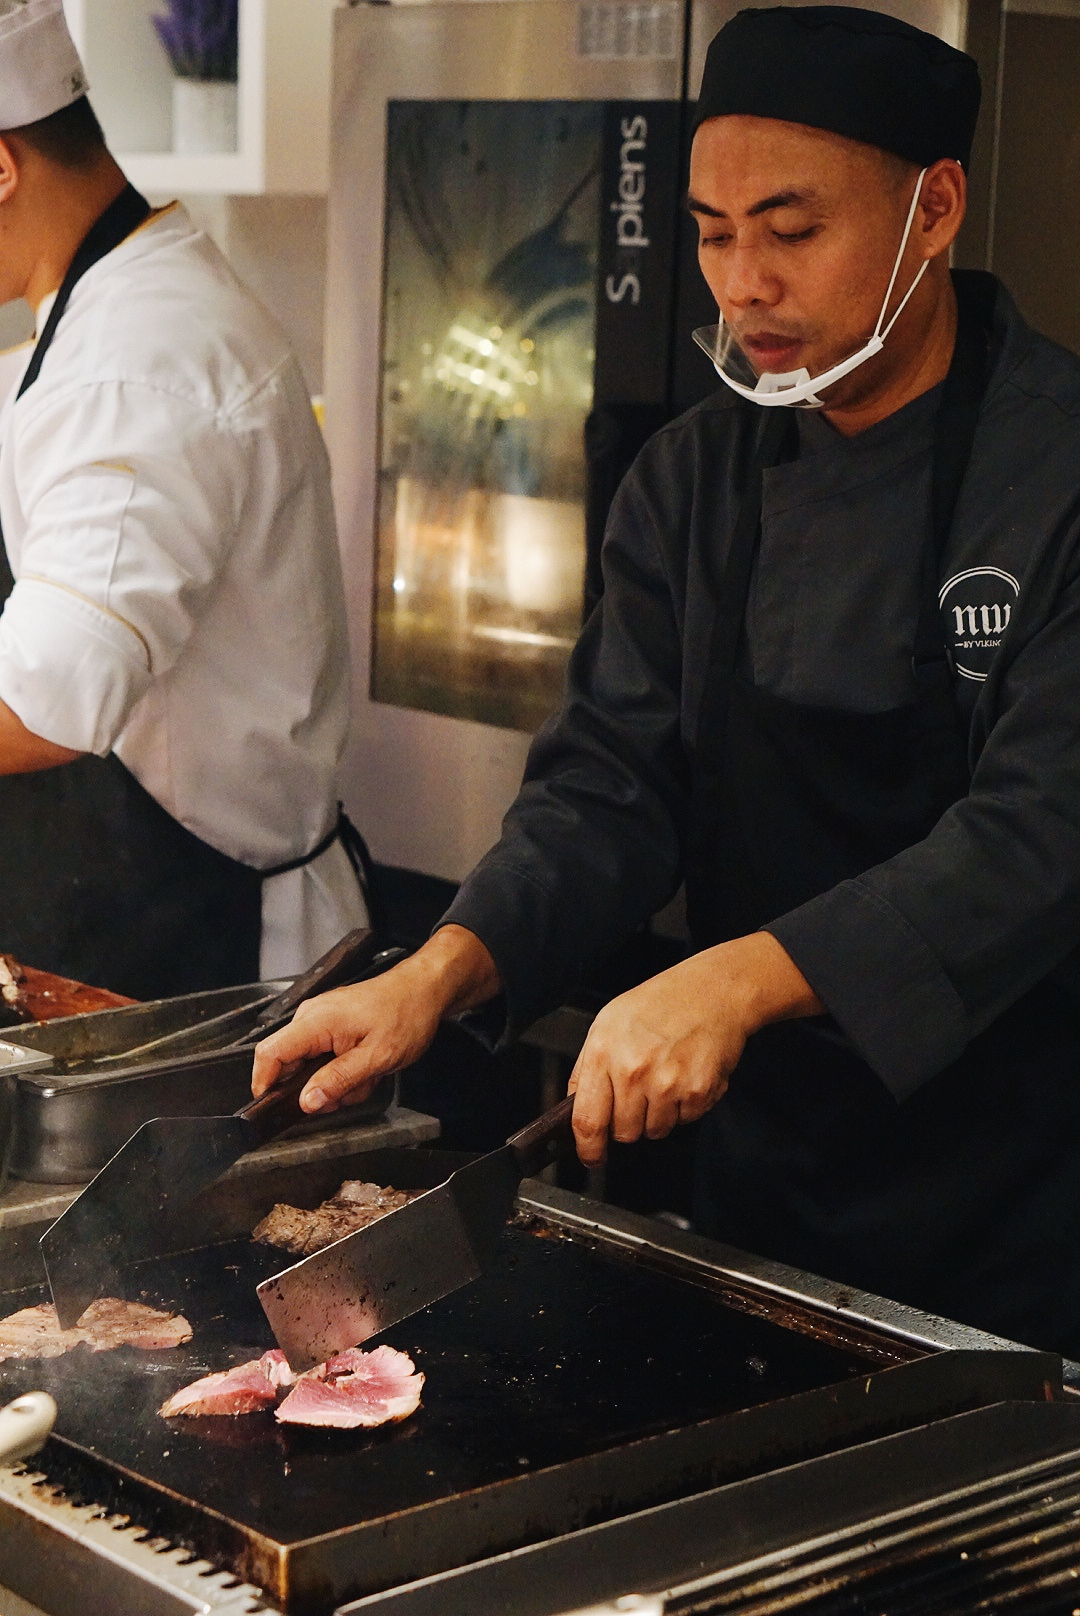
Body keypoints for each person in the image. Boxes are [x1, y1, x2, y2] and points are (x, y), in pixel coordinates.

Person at [254, 6, 1080, 1356]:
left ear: (934, 209)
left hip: (1016, 1209)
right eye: (711, 232)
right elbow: (607, 786)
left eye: (791, 229)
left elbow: (1040, 837)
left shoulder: (1057, 477)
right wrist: (443, 969)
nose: (743, 283)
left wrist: (738, 981)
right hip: (755, 1186)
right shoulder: (694, 478)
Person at [0, 0, 367, 998]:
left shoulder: (135, 366)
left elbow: (41, 702)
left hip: (205, 972)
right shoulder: (101, 312)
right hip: (128, 930)